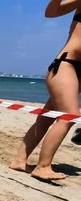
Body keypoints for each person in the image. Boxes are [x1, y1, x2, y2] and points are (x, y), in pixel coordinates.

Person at [9, 1, 81, 181]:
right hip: (66, 66)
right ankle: (43, 166)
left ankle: (19, 160)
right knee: (69, 116)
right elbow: (51, 12)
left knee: (46, 118)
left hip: (77, 72)